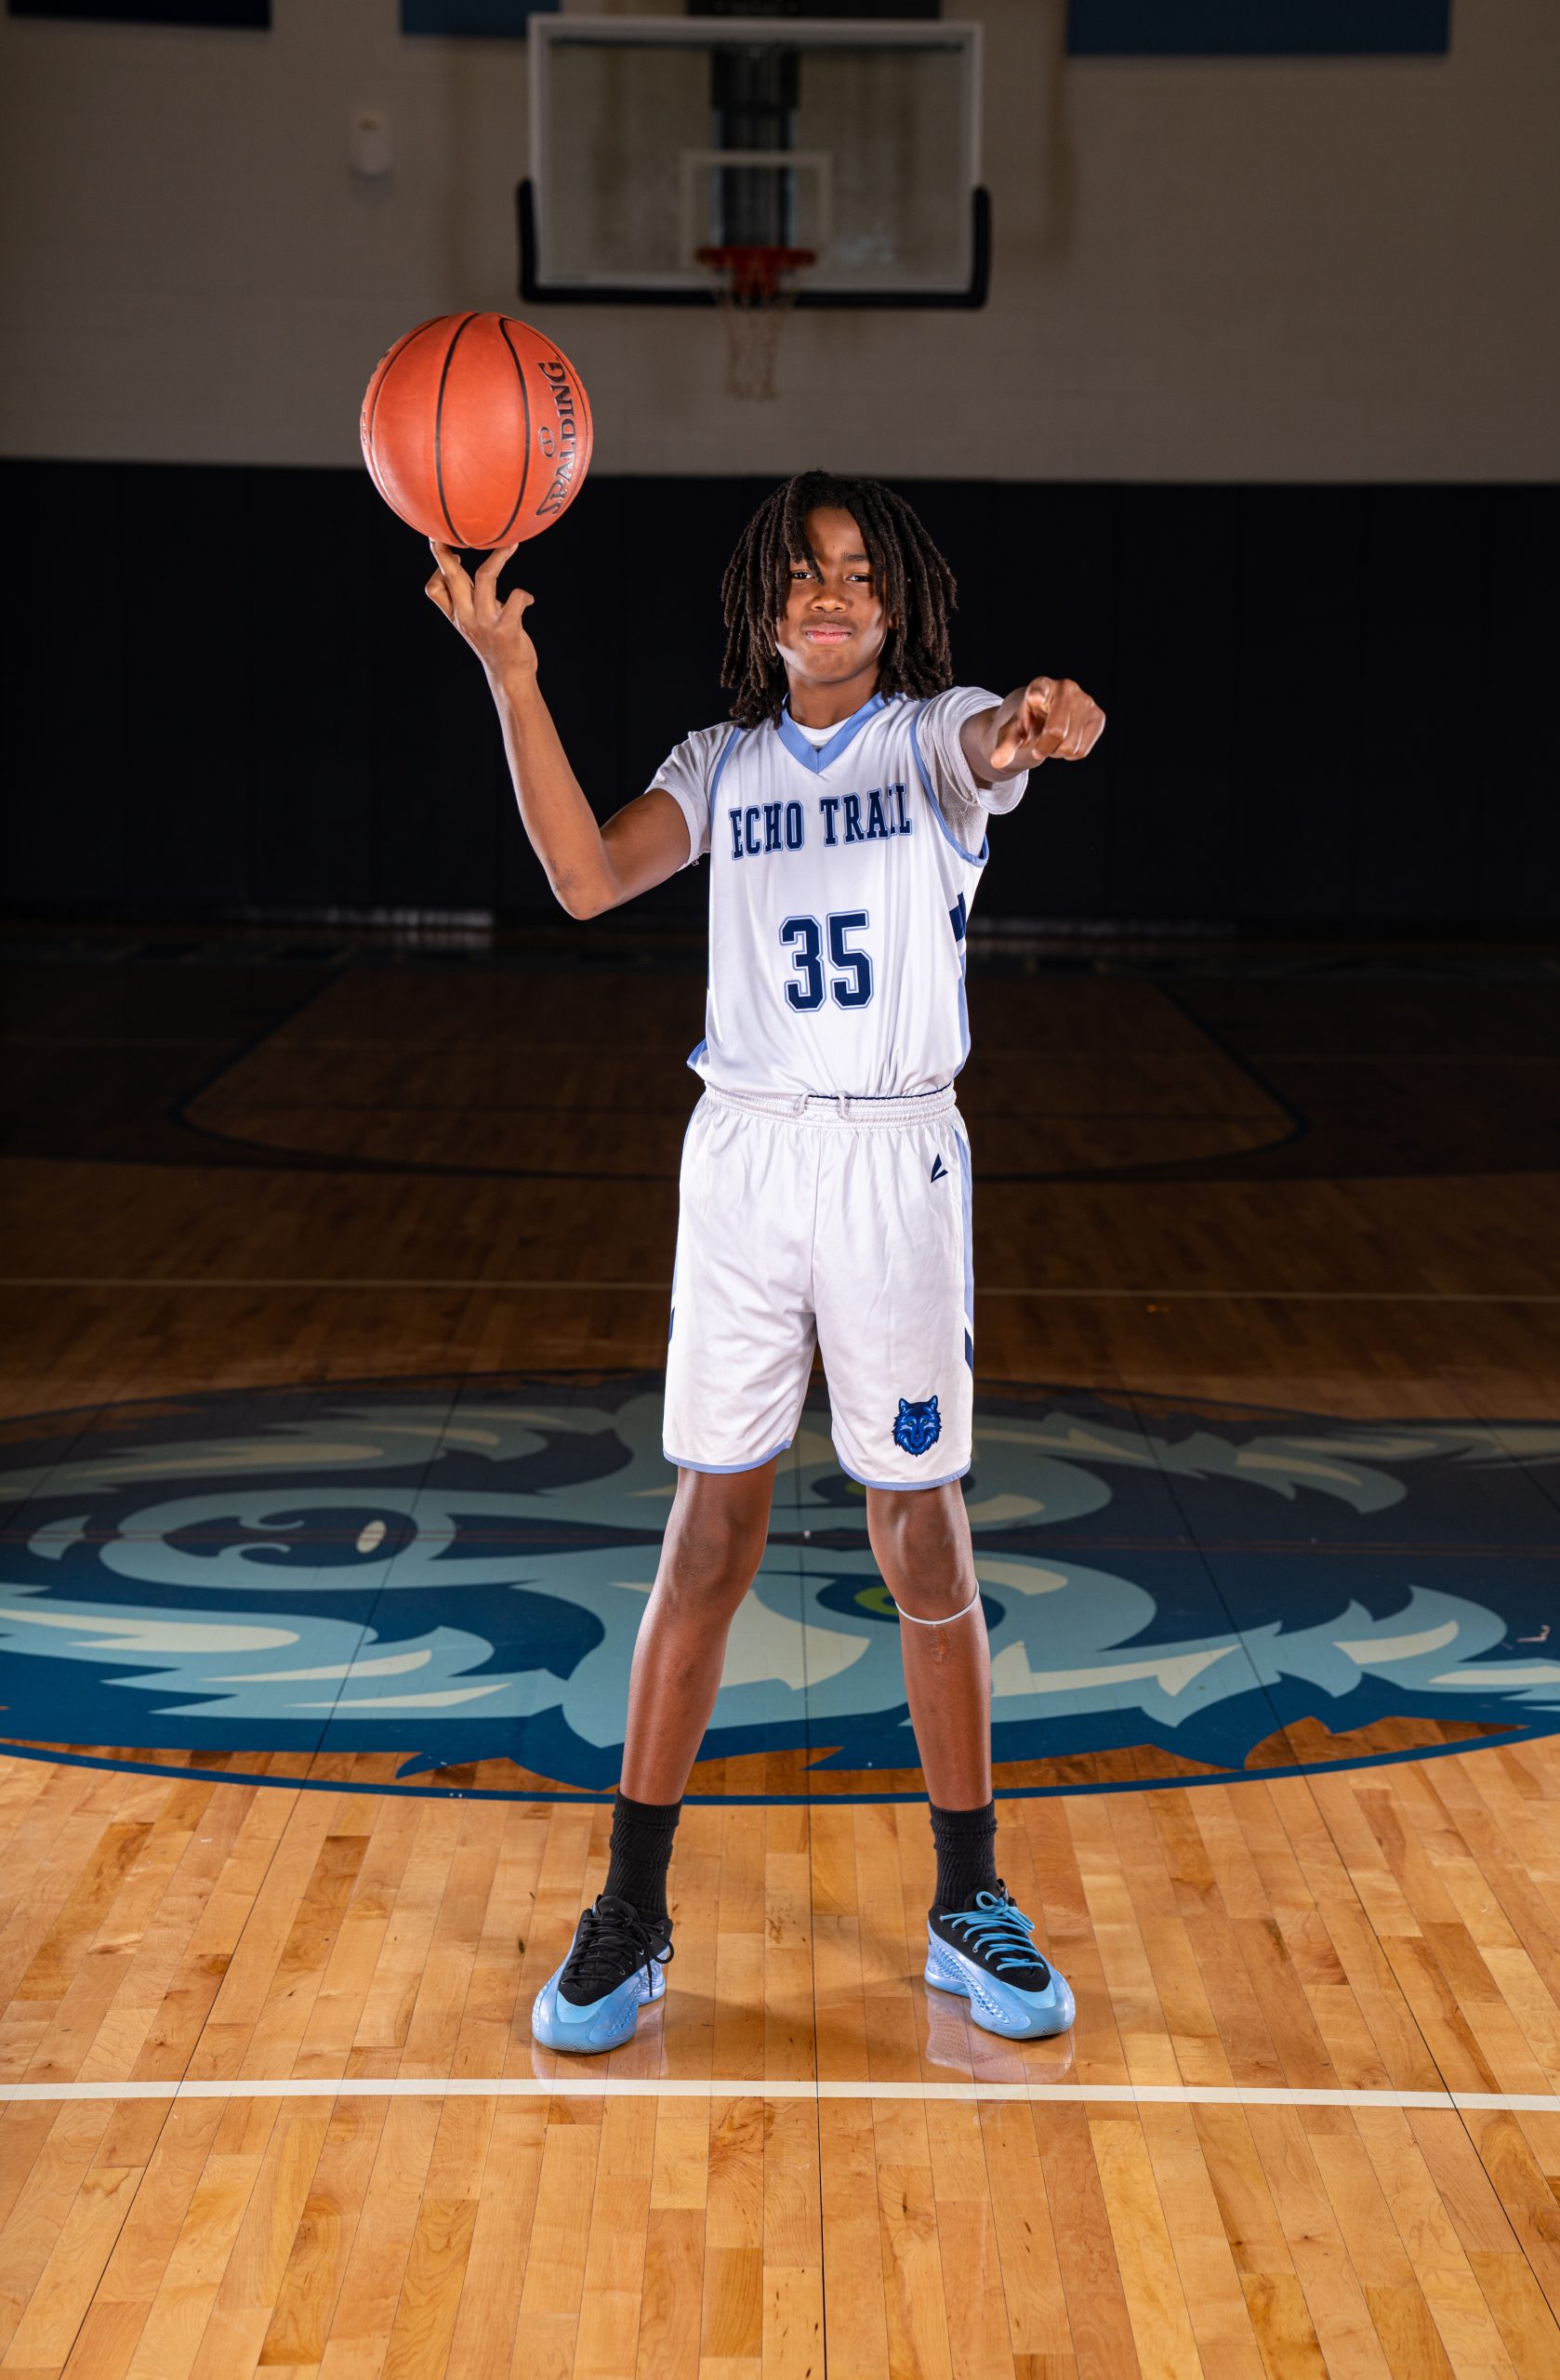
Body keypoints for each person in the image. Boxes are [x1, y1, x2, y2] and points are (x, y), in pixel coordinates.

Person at [425, 470, 1105, 2056]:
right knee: (707, 1532)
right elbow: (584, 879)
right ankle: (631, 1909)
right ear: (761, 605)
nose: (831, 593)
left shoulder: (928, 741)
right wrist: (511, 676)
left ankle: (968, 1897)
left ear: (895, 604)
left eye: (858, 573)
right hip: (741, 1159)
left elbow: (1003, 740)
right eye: (804, 572)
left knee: (918, 1533)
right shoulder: (719, 766)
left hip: (890, 1159)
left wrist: (1043, 724)